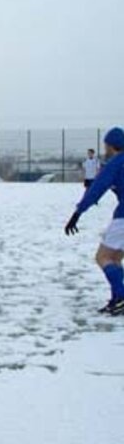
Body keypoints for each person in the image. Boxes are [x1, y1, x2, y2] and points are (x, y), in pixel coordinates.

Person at [65, 127, 124, 315]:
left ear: (110, 145)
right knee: (115, 258)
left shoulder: (116, 163)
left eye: (105, 145)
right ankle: (117, 298)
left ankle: (121, 297)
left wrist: (77, 213)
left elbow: (96, 189)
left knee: (103, 257)